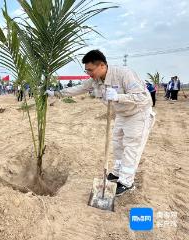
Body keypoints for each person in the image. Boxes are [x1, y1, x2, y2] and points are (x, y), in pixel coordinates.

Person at [46, 50, 156, 196]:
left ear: (102, 65)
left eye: (90, 70)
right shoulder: (95, 80)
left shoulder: (124, 74)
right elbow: (78, 89)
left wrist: (119, 97)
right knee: (117, 144)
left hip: (138, 114)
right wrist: (56, 93)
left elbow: (143, 97)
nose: (89, 74)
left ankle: (126, 182)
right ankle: (117, 174)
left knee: (131, 147)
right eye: (87, 71)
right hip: (122, 114)